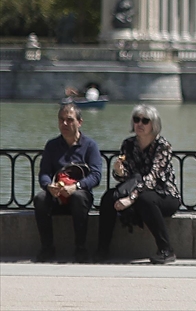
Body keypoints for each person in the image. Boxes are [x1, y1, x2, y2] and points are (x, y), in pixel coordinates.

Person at [98, 105, 181, 264]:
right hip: (137, 191)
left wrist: (131, 198)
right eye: (136, 120)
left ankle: (166, 250)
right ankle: (102, 249)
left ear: (154, 124)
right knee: (108, 198)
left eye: (145, 121)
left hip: (164, 194)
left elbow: (152, 178)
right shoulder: (128, 144)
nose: (139, 124)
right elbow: (128, 178)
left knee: (145, 199)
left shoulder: (163, 146)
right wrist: (119, 172)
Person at [33, 103, 103, 262]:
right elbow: (44, 173)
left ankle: (80, 248)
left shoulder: (90, 145)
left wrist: (76, 187)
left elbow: (96, 176)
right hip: (57, 194)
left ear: (80, 122)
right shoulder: (52, 145)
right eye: (61, 120)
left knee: (79, 198)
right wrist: (48, 186)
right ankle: (47, 248)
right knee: (40, 199)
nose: (64, 124)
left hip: (80, 195)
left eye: (69, 120)